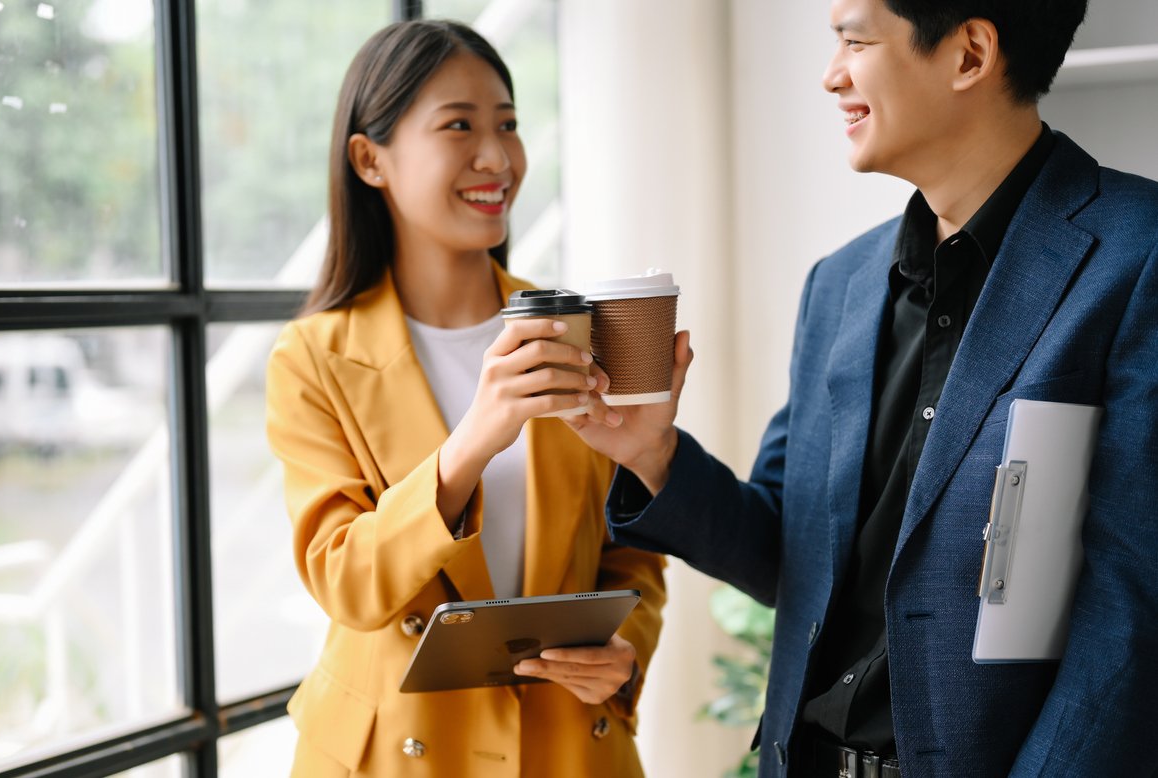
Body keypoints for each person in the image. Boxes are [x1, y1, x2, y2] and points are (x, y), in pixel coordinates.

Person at [568, 0, 1158, 775]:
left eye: (853, 41)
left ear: (969, 54)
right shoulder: (839, 284)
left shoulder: (1134, 252)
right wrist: (653, 453)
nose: (829, 75)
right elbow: (790, 558)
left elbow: (1130, 612)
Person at [265, 20, 666, 777]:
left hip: (566, 743)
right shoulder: (313, 358)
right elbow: (347, 583)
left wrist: (624, 653)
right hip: (399, 753)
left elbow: (631, 553)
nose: (498, 157)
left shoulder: (578, 328)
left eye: (507, 125)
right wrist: (474, 439)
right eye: (458, 126)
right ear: (369, 159)